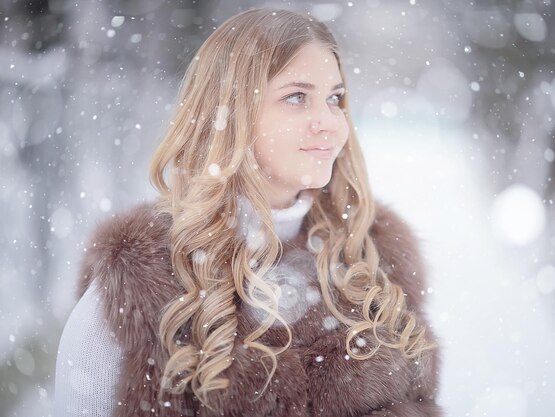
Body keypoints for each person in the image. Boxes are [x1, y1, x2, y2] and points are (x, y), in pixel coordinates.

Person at [53, 8, 442, 417]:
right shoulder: (140, 278)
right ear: (230, 112)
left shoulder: (373, 257)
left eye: (334, 98)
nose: (329, 121)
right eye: (297, 97)